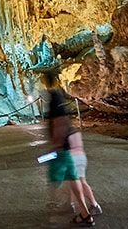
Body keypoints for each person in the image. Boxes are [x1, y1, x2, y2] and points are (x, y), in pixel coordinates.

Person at [42, 73, 94, 227]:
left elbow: (60, 122)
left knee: (56, 178)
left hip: (62, 148)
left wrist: (57, 144)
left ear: (46, 82)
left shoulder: (54, 98)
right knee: (73, 178)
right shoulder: (59, 95)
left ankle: (65, 206)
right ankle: (85, 211)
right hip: (68, 146)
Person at [67, 125, 102, 217]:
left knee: (80, 183)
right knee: (76, 182)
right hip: (81, 157)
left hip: (73, 159)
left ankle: (95, 205)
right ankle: (72, 204)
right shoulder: (75, 131)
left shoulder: (63, 133)